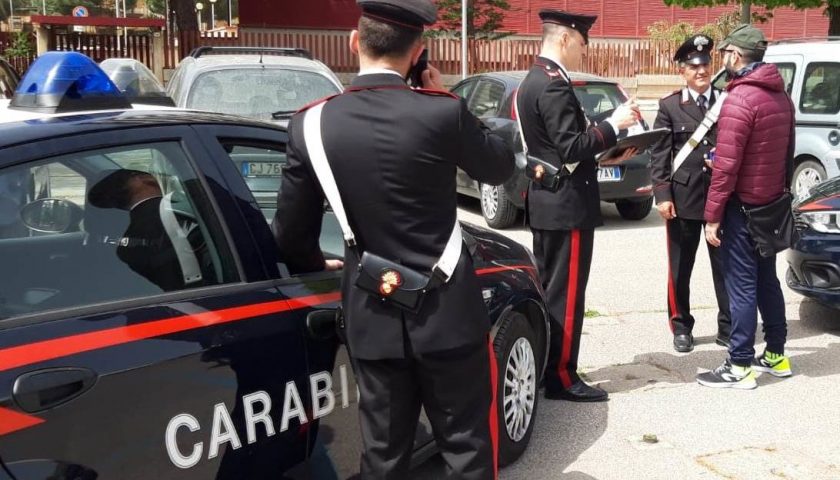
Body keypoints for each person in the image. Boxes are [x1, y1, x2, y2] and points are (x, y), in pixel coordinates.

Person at [272, 0, 515, 477]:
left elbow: (290, 232)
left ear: (353, 42)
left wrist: (314, 261)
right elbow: (500, 166)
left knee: (383, 456)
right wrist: (445, 96)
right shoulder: (443, 113)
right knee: (467, 447)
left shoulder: (311, 123)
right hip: (449, 313)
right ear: (419, 51)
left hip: (372, 315)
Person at [516, 9, 639, 402]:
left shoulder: (533, 79)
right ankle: (562, 377)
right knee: (565, 296)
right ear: (566, 38)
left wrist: (605, 148)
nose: (586, 51)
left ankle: (548, 368)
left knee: (552, 291)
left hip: (550, 200)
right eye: (584, 43)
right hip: (565, 205)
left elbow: (559, 148)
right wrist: (614, 125)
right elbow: (571, 145)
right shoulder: (552, 85)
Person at [698, 25, 795, 389]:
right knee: (767, 280)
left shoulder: (740, 98)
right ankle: (775, 353)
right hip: (770, 203)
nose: (722, 59)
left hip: (742, 207)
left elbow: (727, 166)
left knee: (741, 285)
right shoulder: (780, 96)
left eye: (725, 53)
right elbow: (785, 154)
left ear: (736, 56)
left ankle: (739, 364)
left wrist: (712, 216)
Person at [649, 34, 731, 353]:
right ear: (682, 71)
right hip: (682, 200)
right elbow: (660, 153)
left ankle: (728, 325)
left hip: (718, 198)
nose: (701, 71)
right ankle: (681, 326)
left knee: (725, 267)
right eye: (694, 66)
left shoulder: (726, 101)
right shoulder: (670, 106)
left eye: (705, 64)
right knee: (680, 268)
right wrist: (662, 195)